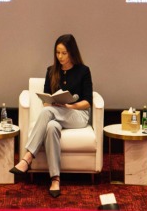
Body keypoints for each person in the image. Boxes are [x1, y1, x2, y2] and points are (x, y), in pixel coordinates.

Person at [10, 34, 93, 198]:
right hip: (56, 115)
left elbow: (88, 102)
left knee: (49, 113)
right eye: (57, 53)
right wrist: (52, 102)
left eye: (64, 53)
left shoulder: (83, 71)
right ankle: (55, 179)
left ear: (72, 53)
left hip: (77, 115)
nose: (60, 57)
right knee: (51, 126)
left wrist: (69, 105)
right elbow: (46, 101)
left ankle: (28, 157)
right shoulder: (51, 71)